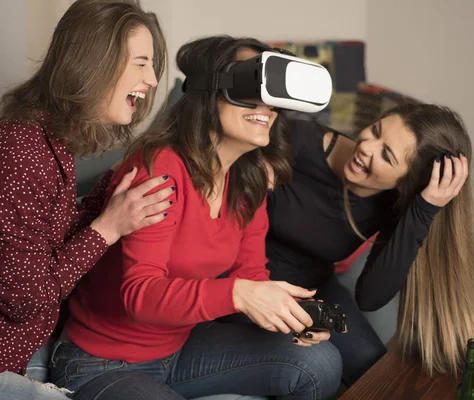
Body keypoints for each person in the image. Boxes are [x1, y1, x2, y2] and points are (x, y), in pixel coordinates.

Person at [50, 36, 343, 400]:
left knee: (320, 362)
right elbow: (139, 295)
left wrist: (292, 317)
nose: (265, 105)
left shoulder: (246, 181)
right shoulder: (159, 169)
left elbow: (249, 276)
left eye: (270, 93)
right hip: (102, 361)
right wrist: (239, 294)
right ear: (208, 92)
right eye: (250, 86)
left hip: (182, 348)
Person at [0, 1, 179, 399]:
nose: (153, 78)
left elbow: (42, 240)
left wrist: (108, 195)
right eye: (141, 62)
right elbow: (25, 300)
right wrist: (107, 228)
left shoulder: (43, 139)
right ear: (94, 63)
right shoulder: (23, 153)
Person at [265, 104, 474, 385]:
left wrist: (423, 210)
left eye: (386, 156)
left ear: (404, 184)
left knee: (377, 378)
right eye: (375, 131)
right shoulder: (299, 140)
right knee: (318, 367)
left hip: (317, 289)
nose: (366, 147)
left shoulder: (394, 204)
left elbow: (370, 297)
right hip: (259, 282)